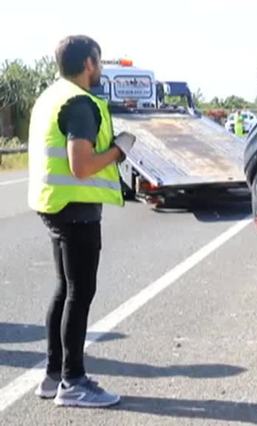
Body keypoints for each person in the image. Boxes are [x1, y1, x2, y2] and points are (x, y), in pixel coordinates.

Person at [27, 35, 136, 408]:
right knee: (80, 292)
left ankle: (54, 374)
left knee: (65, 289)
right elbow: (82, 165)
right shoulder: (79, 103)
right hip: (76, 209)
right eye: (99, 61)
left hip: (55, 203)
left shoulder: (50, 96)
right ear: (89, 63)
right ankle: (73, 381)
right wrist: (120, 150)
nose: (101, 68)